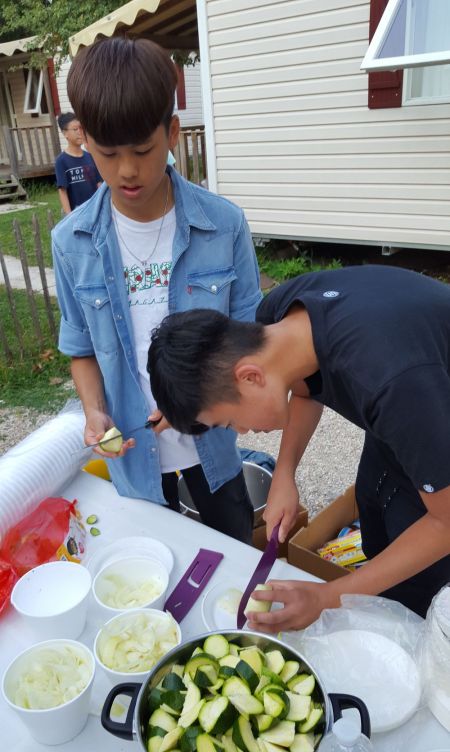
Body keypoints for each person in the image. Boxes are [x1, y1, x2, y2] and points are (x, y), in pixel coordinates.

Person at [148, 264, 450, 628]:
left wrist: (326, 597)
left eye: (229, 421)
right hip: (407, 427)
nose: (242, 431)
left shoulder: (391, 382)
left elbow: (445, 523)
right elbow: (307, 388)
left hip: (433, 432)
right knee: (377, 534)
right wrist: (284, 473)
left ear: (250, 377)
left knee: (424, 596)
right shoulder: (280, 317)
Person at [53, 38, 261, 544]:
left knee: (234, 548)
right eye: (108, 153)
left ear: (171, 133)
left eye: (142, 151)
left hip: (212, 446)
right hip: (131, 456)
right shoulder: (71, 241)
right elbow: (81, 347)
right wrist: (94, 411)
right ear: (86, 140)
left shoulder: (223, 224)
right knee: (152, 564)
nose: (127, 170)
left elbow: (250, 336)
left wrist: (195, 396)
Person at [55, 112, 102, 213]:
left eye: (81, 128)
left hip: (95, 211)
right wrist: (70, 217)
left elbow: (99, 184)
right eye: (75, 129)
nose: (79, 132)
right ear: (65, 133)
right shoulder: (61, 161)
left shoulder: (91, 157)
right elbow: (62, 191)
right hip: (77, 213)